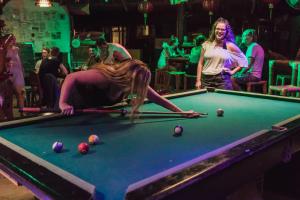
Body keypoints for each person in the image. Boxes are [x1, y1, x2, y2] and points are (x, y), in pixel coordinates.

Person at [59, 59, 199, 118]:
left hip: (90, 111)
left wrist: (181, 112)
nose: (140, 88)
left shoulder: (135, 85)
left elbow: (158, 99)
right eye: (139, 84)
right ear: (129, 78)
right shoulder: (105, 76)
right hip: (72, 104)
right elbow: (71, 77)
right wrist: (63, 103)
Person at [195, 18, 248, 90]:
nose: (220, 31)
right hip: (205, 80)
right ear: (214, 30)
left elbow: (244, 60)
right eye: (218, 29)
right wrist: (198, 80)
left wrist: (232, 72)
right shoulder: (206, 44)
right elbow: (200, 63)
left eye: (223, 29)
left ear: (226, 32)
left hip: (222, 80)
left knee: (224, 101)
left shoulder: (229, 45)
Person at [5, 34, 26, 109]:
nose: (13, 41)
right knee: (8, 96)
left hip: (18, 73)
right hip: (8, 73)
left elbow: (20, 62)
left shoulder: (17, 49)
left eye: (14, 39)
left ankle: (22, 111)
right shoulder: (4, 50)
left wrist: (22, 72)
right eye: (11, 40)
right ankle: (8, 114)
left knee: (20, 93)